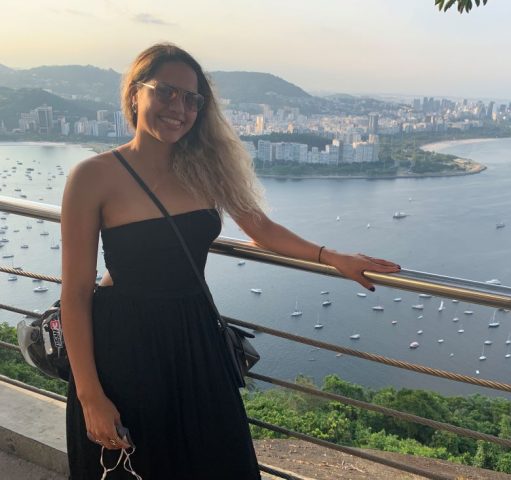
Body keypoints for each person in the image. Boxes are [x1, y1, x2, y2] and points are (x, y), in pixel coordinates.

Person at [61, 42, 401, 479]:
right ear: (135, 94)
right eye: (166, 92)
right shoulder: (93, 176)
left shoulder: (204, 169)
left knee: (222, 461)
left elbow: (261, 229)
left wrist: (330, 256)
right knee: (141, 465)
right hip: (124, 346)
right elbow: (74, 294)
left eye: (191, 99)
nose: (179, 107)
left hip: (195, 338)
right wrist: (90, 395)